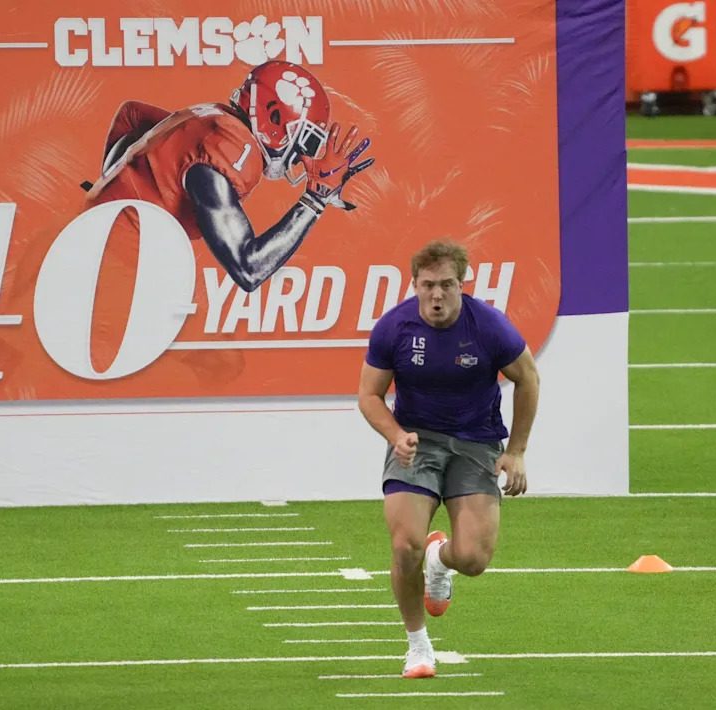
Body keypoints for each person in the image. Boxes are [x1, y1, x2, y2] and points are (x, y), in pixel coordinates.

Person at [357, 239, 540, 679]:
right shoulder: (394, 327)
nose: (436, 295)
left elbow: (529, 378)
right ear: (414, 284)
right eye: (428, 285)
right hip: (416, 442)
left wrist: (516, 451)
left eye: (446, 285)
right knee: (405, 545)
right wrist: (396, 436)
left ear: (462, 283)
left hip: (476, 443)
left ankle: (441, 558)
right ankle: (418, 646)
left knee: (474, 559)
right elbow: (369, 395)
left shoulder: (489, 326)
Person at [80, 59, 375, 292]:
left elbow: (132, 114)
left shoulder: (212, 116)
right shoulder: (232, 149)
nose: (302, 155)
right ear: (274, 117)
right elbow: (249, 269)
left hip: (92, 239)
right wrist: (314, 200)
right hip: (108, 271)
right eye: (306, 141)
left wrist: (110, 184)